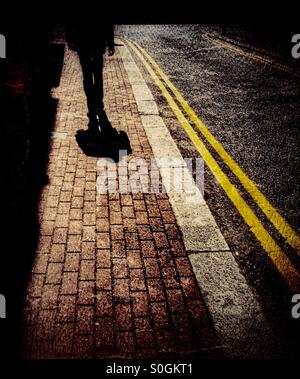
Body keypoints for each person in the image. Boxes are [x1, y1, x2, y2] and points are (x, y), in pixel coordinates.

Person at [66, 21, 115, 134]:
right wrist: (110, 42)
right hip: (98, 40)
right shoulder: (123, 152)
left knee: (88, 76)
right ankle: (98, 104)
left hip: (83, 40)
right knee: (97, 75)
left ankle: (92, 107)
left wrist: (69, 38)